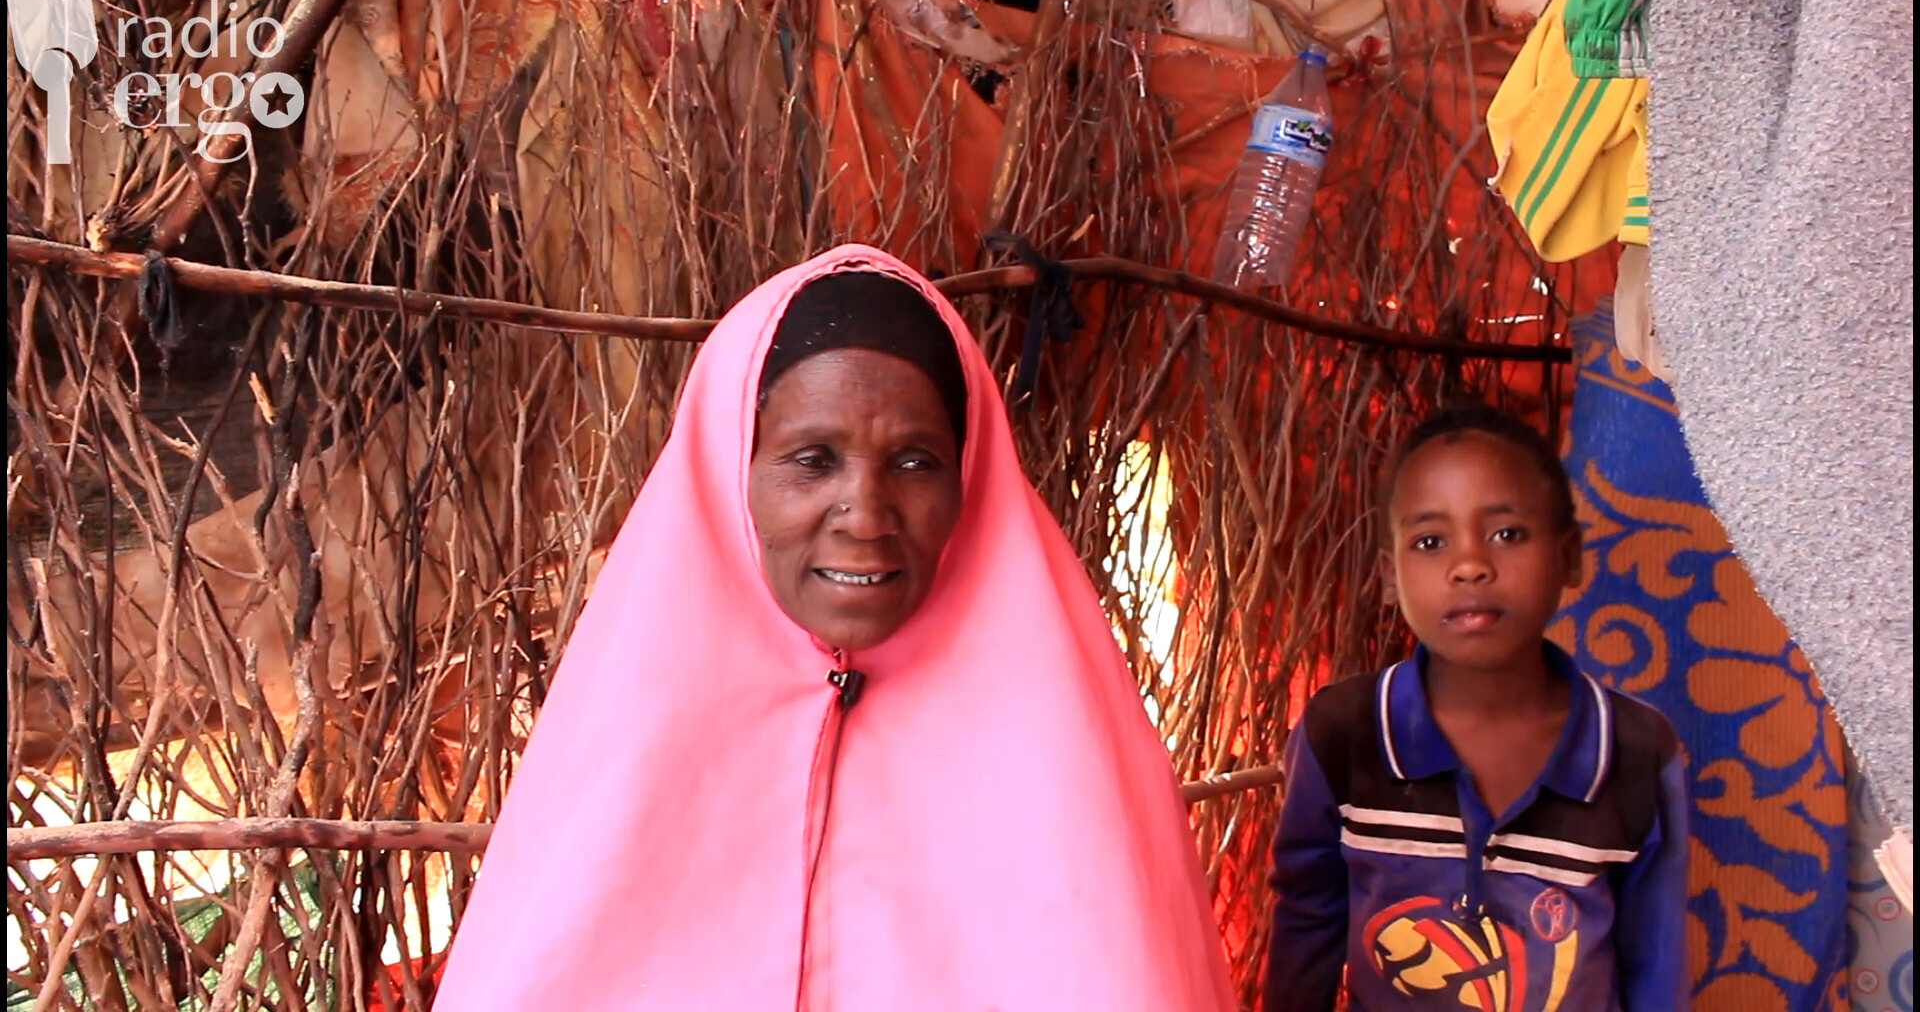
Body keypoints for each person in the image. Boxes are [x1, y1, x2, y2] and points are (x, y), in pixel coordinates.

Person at [433, 244, 1236, 1010]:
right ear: (729, 471)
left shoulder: (1074, 759)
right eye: (813, 459)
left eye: (917, 461)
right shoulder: (619, 743)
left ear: (972, 472)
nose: (866, 517)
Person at [1261, 404, 1689, 1012]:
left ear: (1569, 556)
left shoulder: (1636, 751)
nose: (1469, 566)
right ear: (1390, 576)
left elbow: (1657, 964)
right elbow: (1307, 920)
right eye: (1431, 541)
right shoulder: (1344, 732)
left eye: (1507, 534)